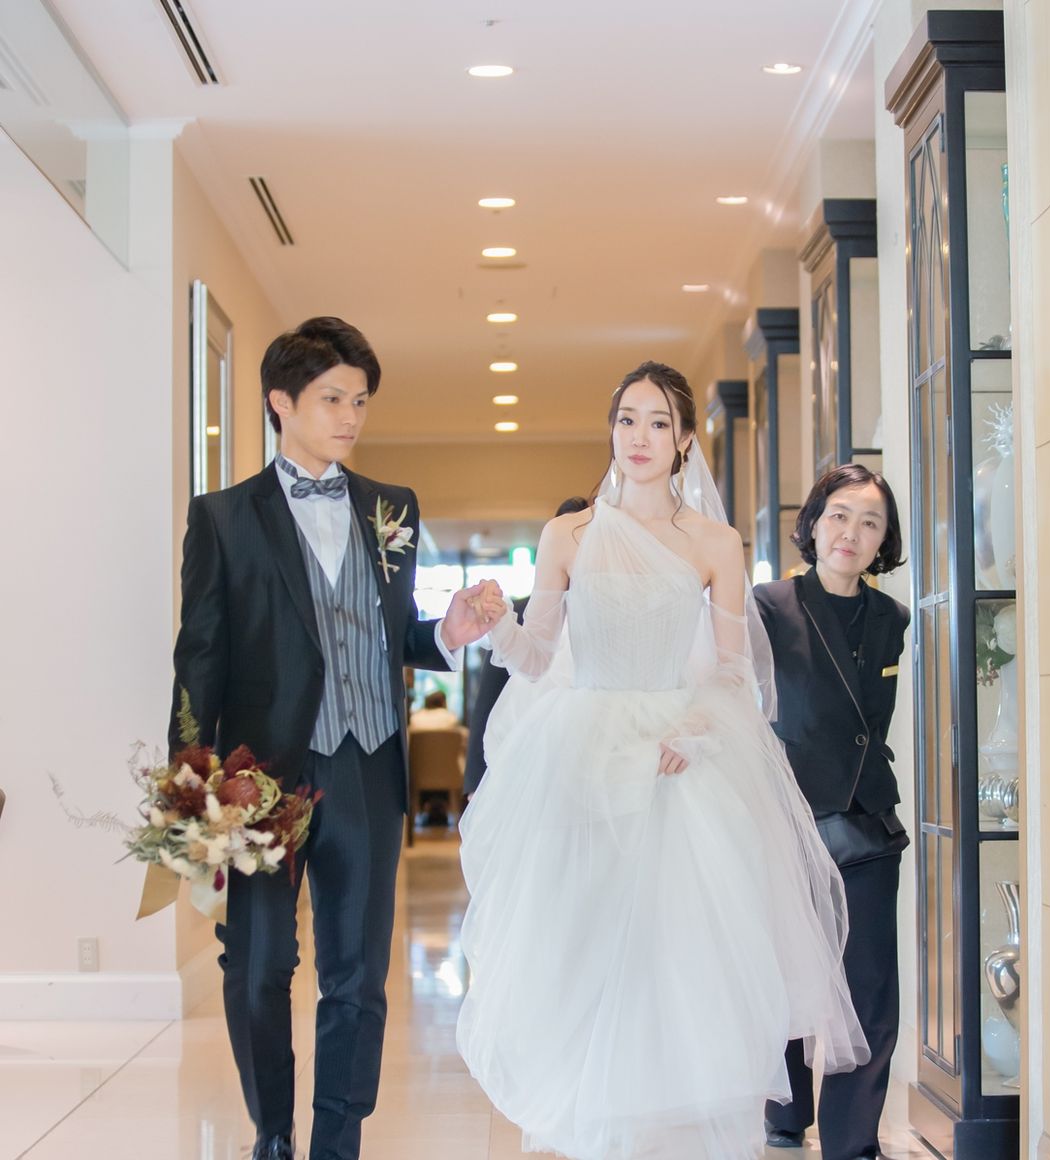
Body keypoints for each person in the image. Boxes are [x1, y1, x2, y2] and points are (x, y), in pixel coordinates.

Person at [456, 361, 868, 1160]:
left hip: (676, 757)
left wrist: (700, 731)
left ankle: (669, 1133)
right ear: (611, 430)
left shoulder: (713, 542)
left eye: (657, 423)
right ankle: (598, 1129)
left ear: (683, 440)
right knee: (583, 949)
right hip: (583, 753)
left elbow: (733, 671)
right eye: (626, 419)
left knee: (676, 957)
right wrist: (499, 626)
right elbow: (538, 656)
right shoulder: (569, 535)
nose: (638, 437)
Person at [169, 317, 493, 1160]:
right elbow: (199, 658)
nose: (351, 417)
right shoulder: (224, 518)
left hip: (368, 764)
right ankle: (273, 1132)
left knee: (357, 975)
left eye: (360, 401)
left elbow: (389, 632)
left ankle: (336, 1143)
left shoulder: (392, 507)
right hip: (264, 777)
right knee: (258, 965)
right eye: (332, 399)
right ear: (281, 402)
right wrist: (191, 791)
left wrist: (446, 633)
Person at [753, 464, 911, 1160]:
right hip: (788, 816)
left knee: (870, 987)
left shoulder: (892, 619)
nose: (852, 533)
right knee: (788, 974)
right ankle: (787, 1112)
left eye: (870, 522)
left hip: (868, 820)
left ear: (884, 540)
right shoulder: (770, 606)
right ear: (814, 523)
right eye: (840, 515)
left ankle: (852, 1143)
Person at [462, 494, 590, 799]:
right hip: (524, 760)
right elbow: (488, 695)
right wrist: (475, 781)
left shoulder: (609, 614)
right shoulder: (520, 612)